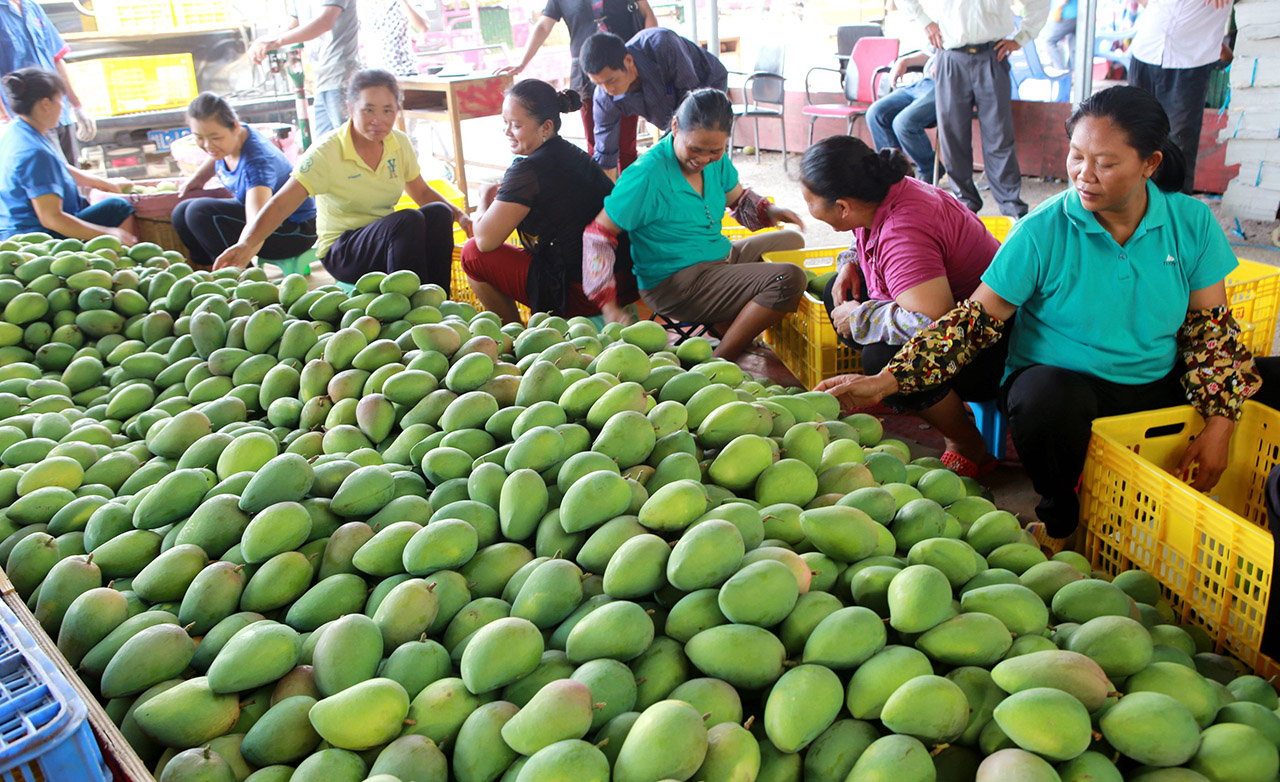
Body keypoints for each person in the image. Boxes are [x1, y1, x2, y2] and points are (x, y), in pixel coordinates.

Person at [816, 86, 1262, 545]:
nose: (1084, 176)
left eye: (1105, 164)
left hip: (1155, 379)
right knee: (1041, 396)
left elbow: (1210, 333)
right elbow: (970, 324)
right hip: (1068, 386)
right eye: (1076, 157)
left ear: (1150, 164)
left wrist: (1220, 421)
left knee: (1263, 380)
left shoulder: (1191, 222)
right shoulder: (1041, 231)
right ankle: (1059, 518)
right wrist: (886, 381)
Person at [802, 135, 1006, 477]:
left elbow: (934, 323)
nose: (806, 206)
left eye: (810, 200)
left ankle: (965, 440)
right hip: (945, 312)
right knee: (836, 294)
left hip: (985, 345)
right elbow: (868, 234)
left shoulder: (903, 231)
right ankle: (925, 400)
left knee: (881, 357)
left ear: (842, 207)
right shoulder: (887, 189)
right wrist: (850, 261)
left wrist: (862, 316)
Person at [582, 88, 806, 360]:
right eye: (695, 149)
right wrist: (608, 305)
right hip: (676, 283)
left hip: (717, 259)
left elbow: (738, 199)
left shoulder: (716, 162)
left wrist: (772, 210)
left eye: (715, 150)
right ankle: (722, 358)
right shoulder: (646, 175)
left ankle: (727, 323)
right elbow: (598, 235)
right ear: (675, 127)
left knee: (793, 243)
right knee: (789, 278)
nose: (702, 159)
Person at [213, 69, 466, 289]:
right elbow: (281, 204)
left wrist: (463, 217)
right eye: (368, 110)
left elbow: (421, 193)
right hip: (343, 251)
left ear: (397, 110)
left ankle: (435, 301)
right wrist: (247, 244)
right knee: (407, 220)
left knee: (437, 213)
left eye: (387, 110)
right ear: (350, 108)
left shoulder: (398, 143)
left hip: (386, 240)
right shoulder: (327, 151)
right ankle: (409, 310)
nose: (378, 120)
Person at [463, 79, 635, 322]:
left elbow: (484, 241)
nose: (507, 131)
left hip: (585, 291)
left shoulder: (527, 171)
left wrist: (483, 198)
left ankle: (514, 338)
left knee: (471, 254)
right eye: (505, 123)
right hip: (625, 282)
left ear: (546, 127)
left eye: (516, 125)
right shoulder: (575, 155)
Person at [896, 0, 1049, 218]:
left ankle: (1011, 207)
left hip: (993, 55)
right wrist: (925, 22)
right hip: (950, 57)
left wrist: (1021, 38)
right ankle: (965, 204)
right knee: (952, 137)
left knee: (999, 136)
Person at [497, 0, 657, 172]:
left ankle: (631, 194)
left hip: (621, 72)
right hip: (587, 76)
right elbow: (544, 25)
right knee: (596, 145)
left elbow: (647, 13)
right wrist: (522, 63)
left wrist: (643, 54)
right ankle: (600, 194)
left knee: (626, 145)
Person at [171, 93, 318, 270]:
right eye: (199, 137)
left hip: (294, 232)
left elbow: (257, 222)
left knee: (199, 213)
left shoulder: (257, 163)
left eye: (215, 138)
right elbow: (215, 155)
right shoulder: (234, 138)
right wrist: (197, 179)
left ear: (234, 127)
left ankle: (240, 278)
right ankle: (206, 274)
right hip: (267, 222)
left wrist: (243, 250)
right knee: (181, 212)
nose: (208, 145)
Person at [0, 68, 135, 242]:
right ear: (45, 104)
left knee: (112, 206)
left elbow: (56, 167)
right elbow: (51, 219)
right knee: (119, 208)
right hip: (38, 238)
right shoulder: (35, 153)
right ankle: (124, 260)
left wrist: (104, 183)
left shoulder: (16, 131)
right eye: (60, 100)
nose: (62, 107)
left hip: (10, 228)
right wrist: (111, 234)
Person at [580, 29, 729, 177]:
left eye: (611, 80)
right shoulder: (603, 96)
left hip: (706, 85)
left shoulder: (663, 45)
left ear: (628, 61)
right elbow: (606, 157)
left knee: (699, 148)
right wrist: (608, 197)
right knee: (670, 156)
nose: (608, 90)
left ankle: (719, 188)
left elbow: (691, 104)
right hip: (669, 108)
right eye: (599, 84)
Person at [1128, 0, 1233, 194]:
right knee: (1134, 136)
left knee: (1178, 146)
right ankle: (1132, 209)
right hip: (1146, 50)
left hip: (1190, 60)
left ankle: (1174, 217)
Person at [0, 0, 96, 162]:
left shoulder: (32, 7)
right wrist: (2, 119)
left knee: (71, 179)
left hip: (59, 112)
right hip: (28, 119)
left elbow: (56, 58)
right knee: (51, 173)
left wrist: (77, 106)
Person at [251, 0, 362, 138]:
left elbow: (325, 21)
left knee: (351, 143)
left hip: (341, 77)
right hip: (321, 80)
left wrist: (276, 42)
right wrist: (265, 41)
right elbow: (291, 26)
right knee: (323, 150)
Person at [865, 49, 937, 184]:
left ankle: (929, 169)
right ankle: (892, 172)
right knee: (875, 113)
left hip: (944, 85)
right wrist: (904, 61)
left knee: (903, 123)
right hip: (922, 82)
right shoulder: (940, 31)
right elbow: (928, 53)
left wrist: (948, 64)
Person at [360, 0, 431, 77]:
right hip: (375, 72)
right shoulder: (365, 4)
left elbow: (423, 28)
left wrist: (404, 2)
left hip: (404, 71)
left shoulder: (409, 2)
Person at [1042, 0, 1078, 71]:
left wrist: (1056, 7)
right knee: (1073, 43)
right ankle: (1073, 72)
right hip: (1077, 14)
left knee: (1049, 42)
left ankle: (1061, 70)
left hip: (1066, 14)